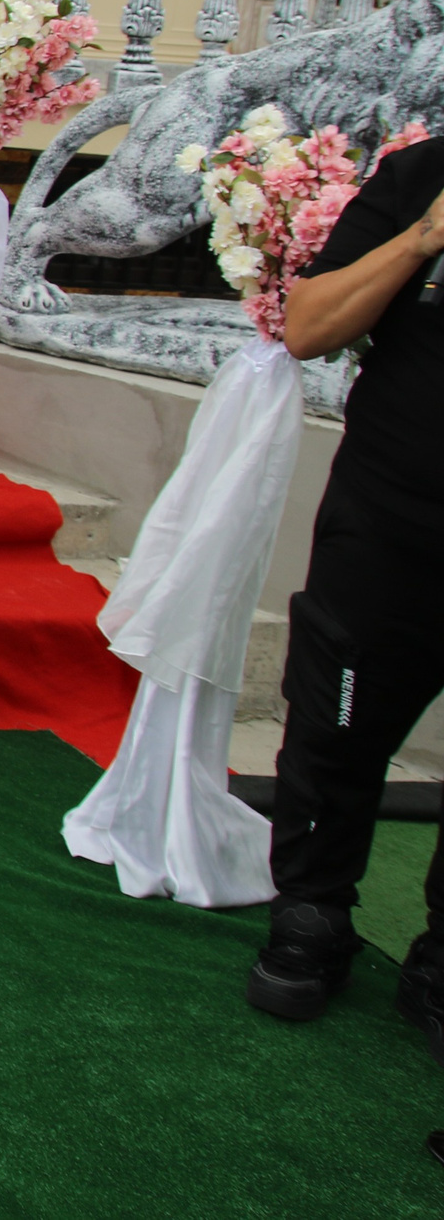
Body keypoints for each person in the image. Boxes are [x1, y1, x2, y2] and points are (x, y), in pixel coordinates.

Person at [244, 135, 444, 1043]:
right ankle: (313, 917)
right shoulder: (420, 178)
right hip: (394, 517)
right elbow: (310, 323)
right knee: (338, 720)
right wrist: (422, 239)